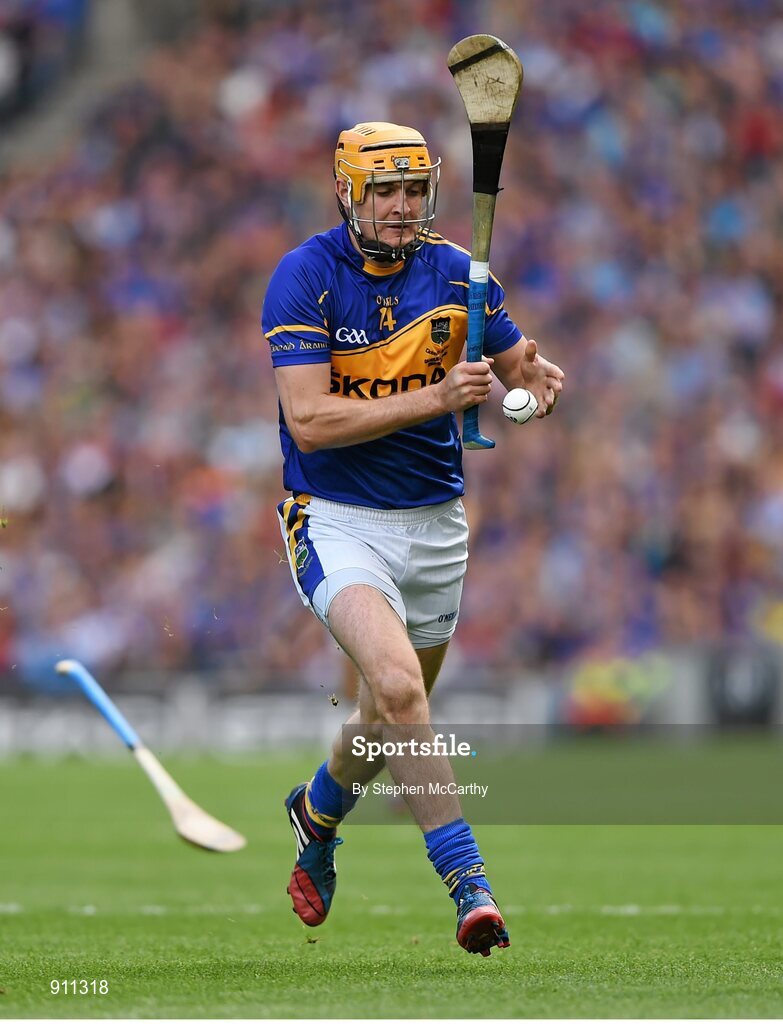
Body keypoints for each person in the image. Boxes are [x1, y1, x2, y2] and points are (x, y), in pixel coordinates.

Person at [261, 122, 564, 956]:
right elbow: (312, 422)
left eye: (412, 192)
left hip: (435, 528)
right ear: (348, 194)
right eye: (382, 192)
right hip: (334, 519)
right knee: (399, 690)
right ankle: (470, 885)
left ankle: (316, 814)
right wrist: (435, 400)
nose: (400, 208)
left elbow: (516, 375)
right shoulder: (305, 277)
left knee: (382, 718)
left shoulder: (461, 277)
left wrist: (534, 384)